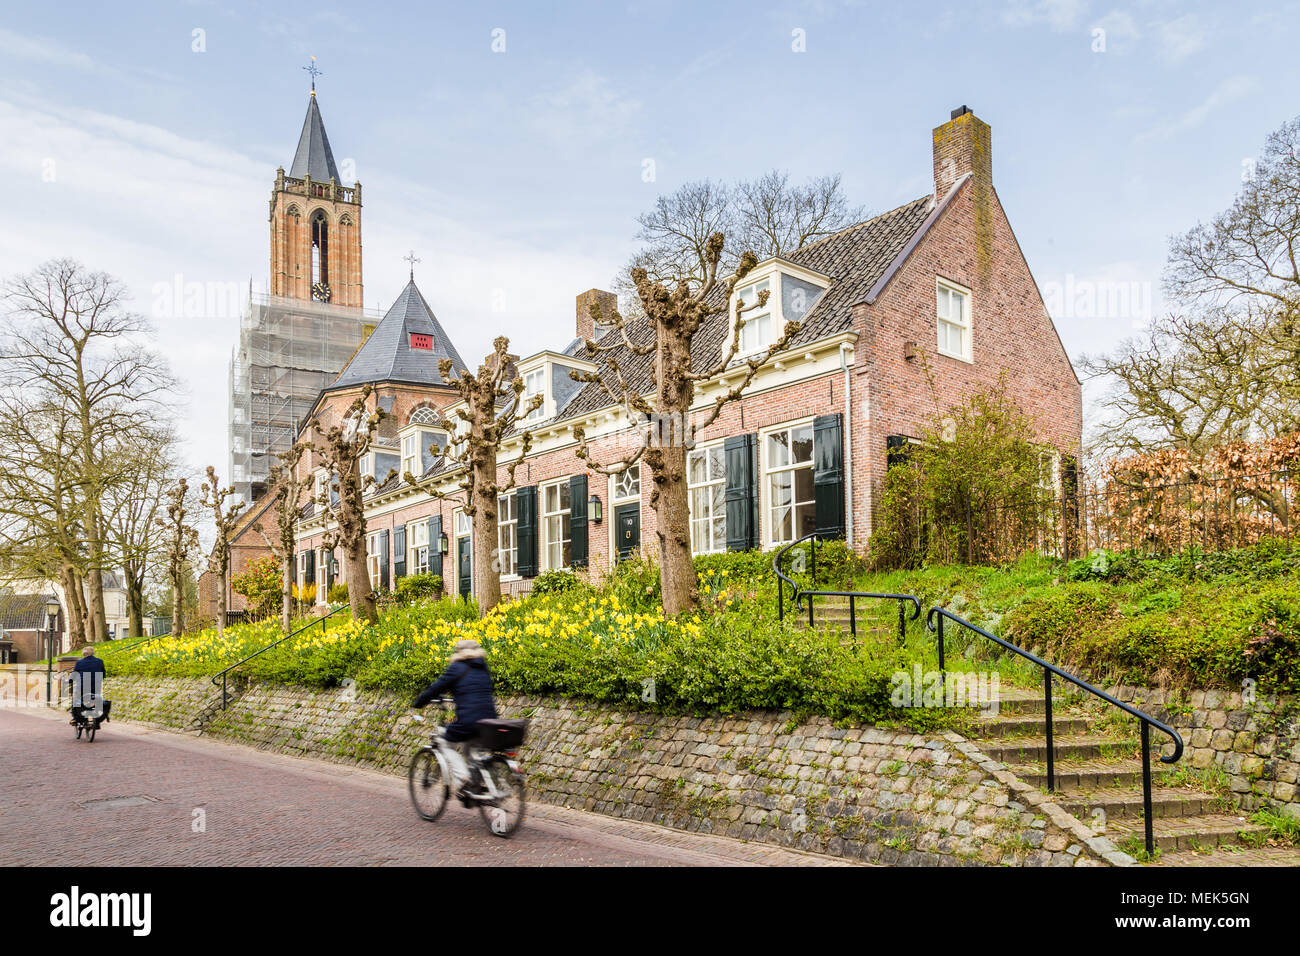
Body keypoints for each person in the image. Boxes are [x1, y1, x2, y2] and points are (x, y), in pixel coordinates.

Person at [411, 638, 497, 791]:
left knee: (445, 743)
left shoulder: (457, 667)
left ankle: (464, 778)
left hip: (469, 721)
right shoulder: (483, 667)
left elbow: (436, 687)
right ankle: (476, 785)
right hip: (490, 720)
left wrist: (419, 702)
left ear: (459, 652)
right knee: (470, 747)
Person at [70, 646, 110, 723]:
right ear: (93, 653)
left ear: (84, 653)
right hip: (95, 687)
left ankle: (76, 718)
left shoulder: (79, 662)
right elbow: (103, 674)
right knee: (97, 699)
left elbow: (74, 675)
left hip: (82, 688)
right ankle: (97, 720)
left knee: (76, 701)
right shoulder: (99, 661)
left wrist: (70, 680)